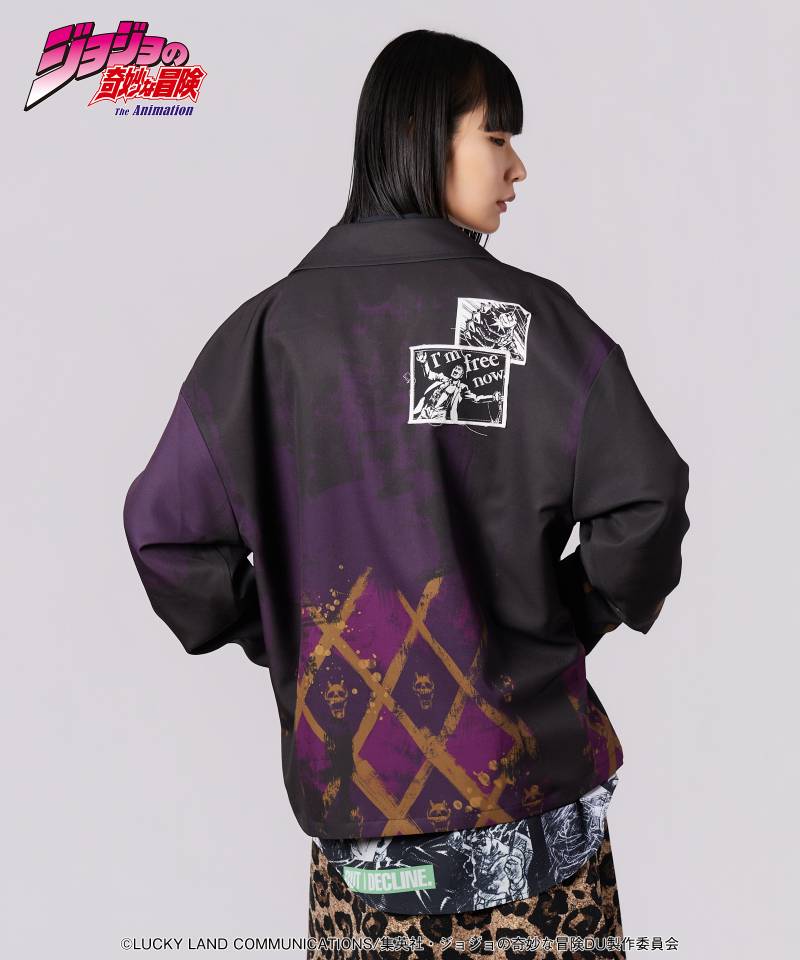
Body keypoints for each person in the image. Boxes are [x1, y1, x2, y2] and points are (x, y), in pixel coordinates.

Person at [122, 27, 690, 960]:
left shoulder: (270, 335)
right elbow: (647, 503)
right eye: (496, 136)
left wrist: (297, 635)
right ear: (426, 136)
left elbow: (168, 537)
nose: (517, 167)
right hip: (530, 830)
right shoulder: (523, 322)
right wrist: (569, 615)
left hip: (364, 854)